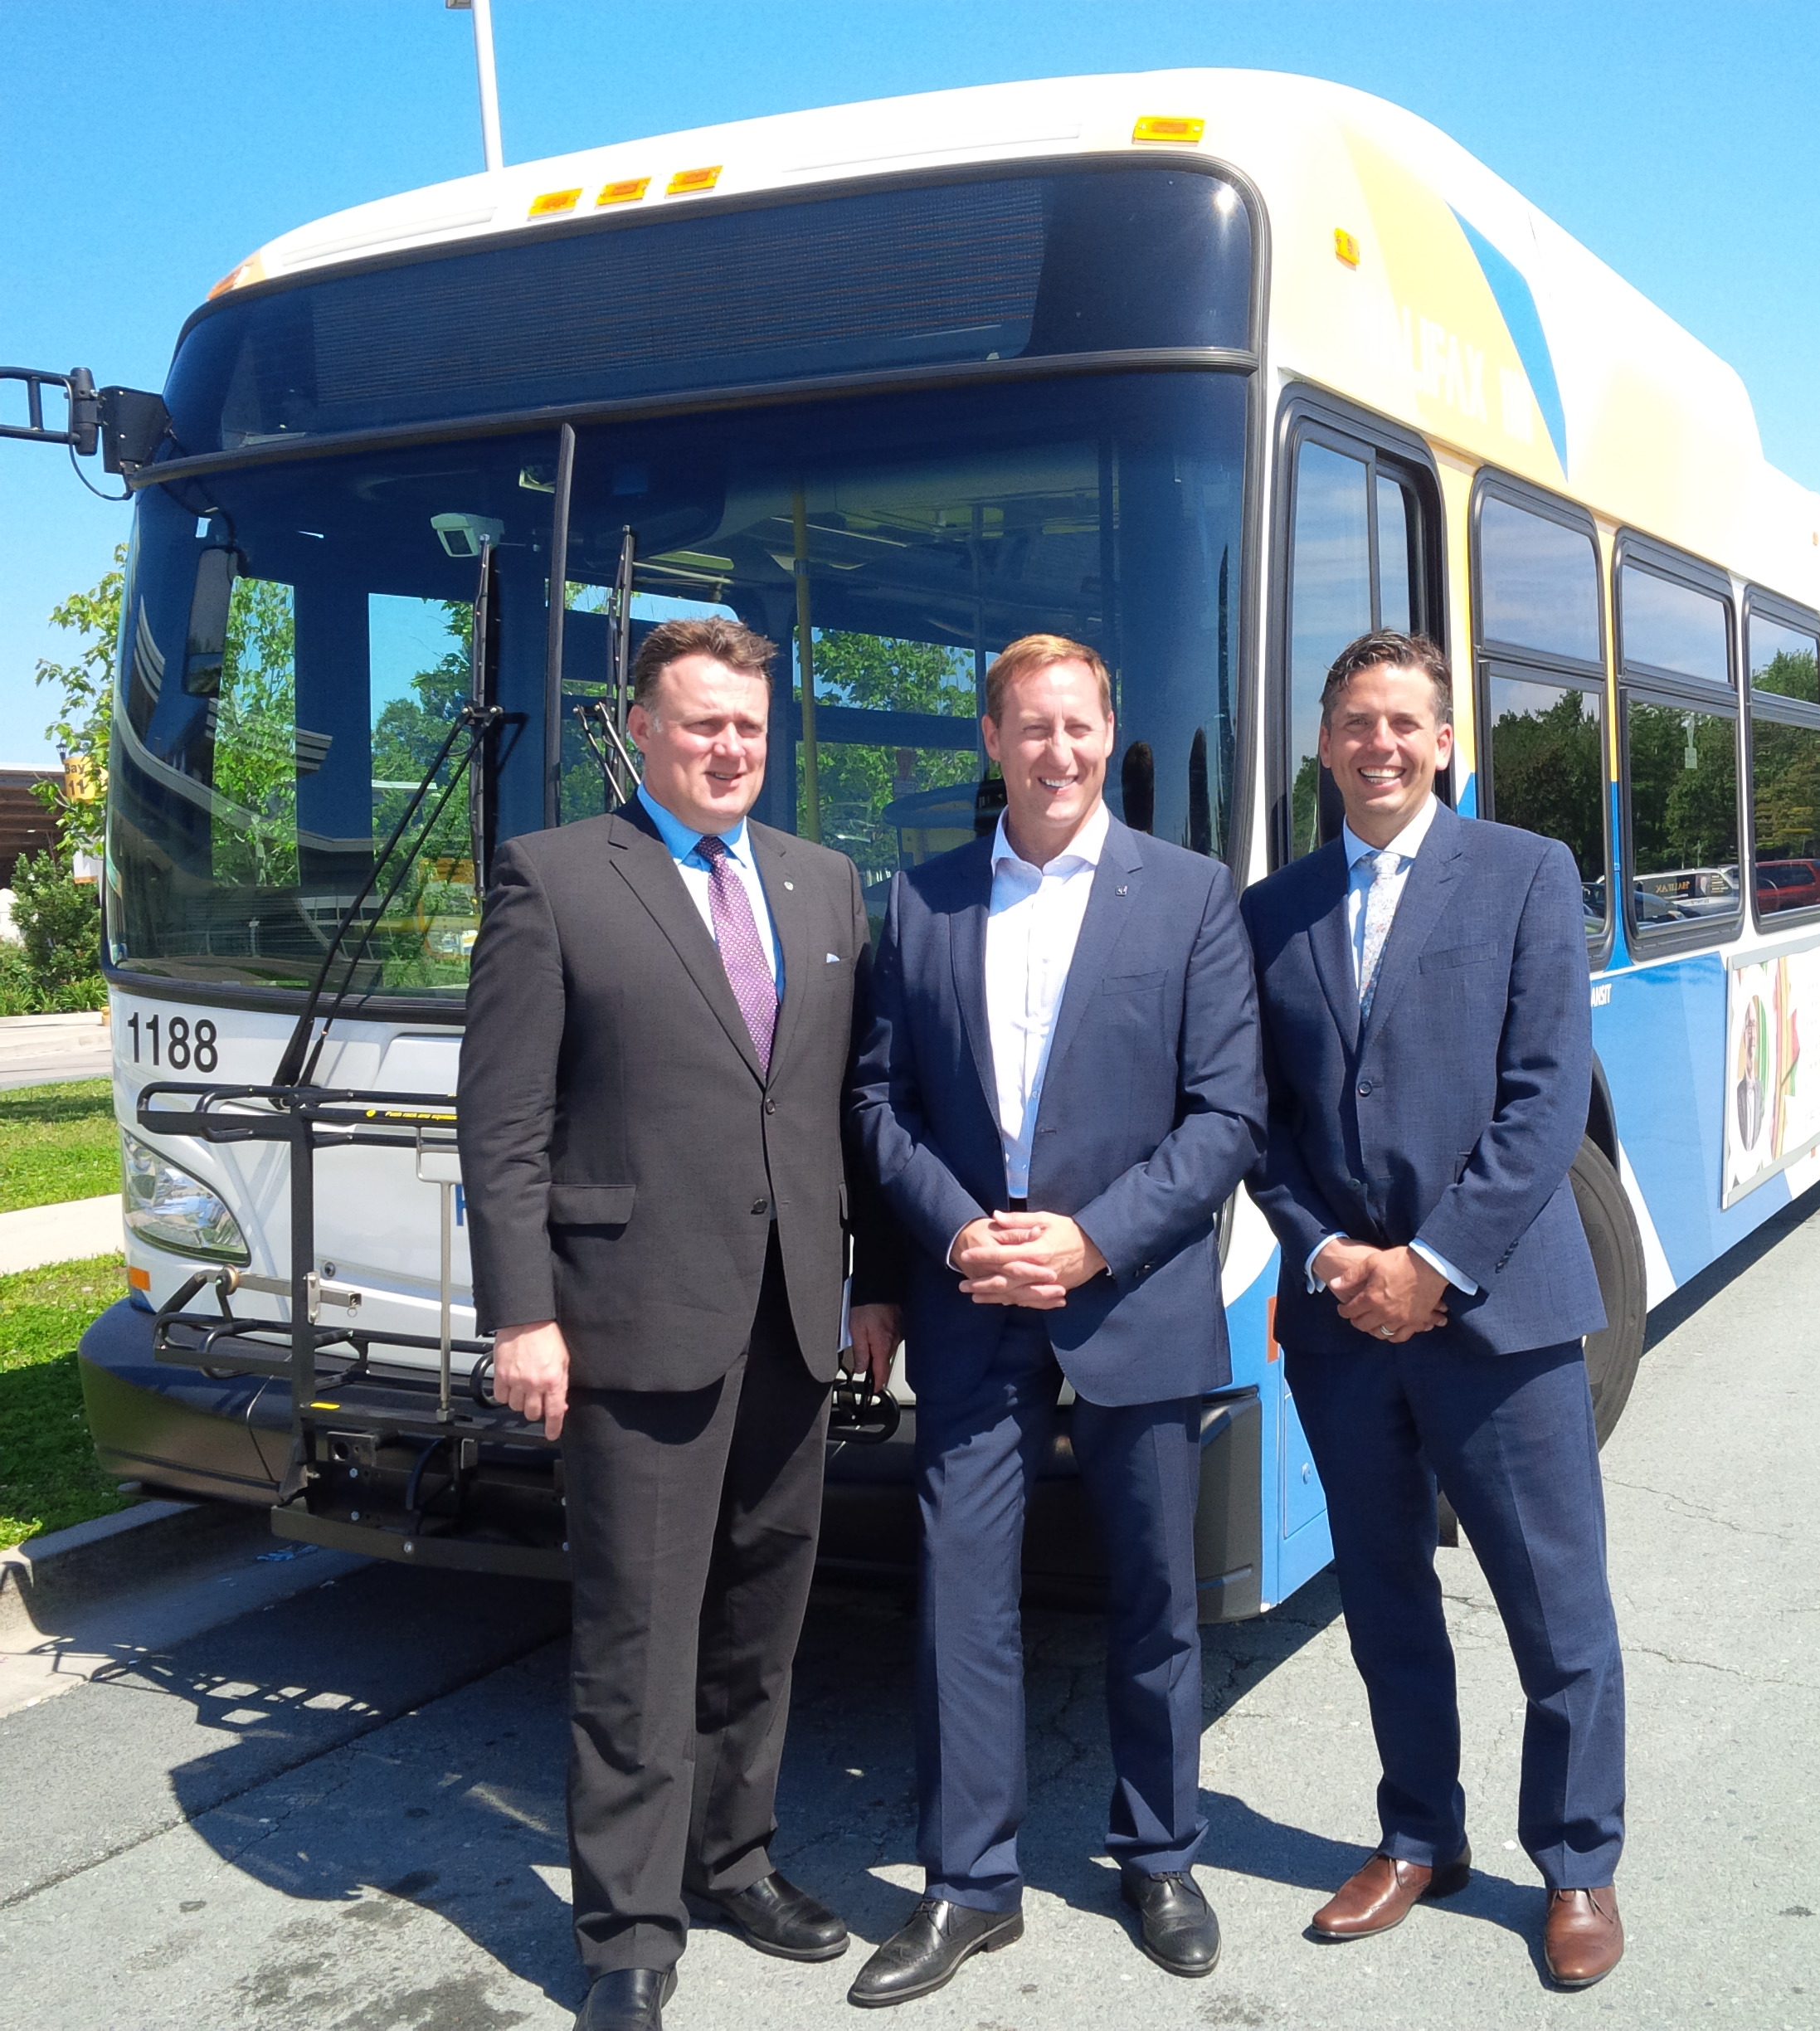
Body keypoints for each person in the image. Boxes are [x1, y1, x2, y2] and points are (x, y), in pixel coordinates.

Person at [460, 616, 901, 2031]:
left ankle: (735, 1858)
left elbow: (848, 1111)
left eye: (751, 729)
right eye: (703, 722)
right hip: (627, 1318)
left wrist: (873, 1282)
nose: (730, 748)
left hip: (791, 1323)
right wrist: (520, 1314)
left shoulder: (824, 887)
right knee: (636, 1632)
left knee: (763, 1617)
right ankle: (628, 1928)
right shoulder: (555, 880)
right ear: (639, 727)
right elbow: (505, 1125)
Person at [848, 634, 1265, 2007]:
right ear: (991, 740)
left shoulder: (1193, 898)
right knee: (963, 1596)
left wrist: (1089, 1240)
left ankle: (1157, 1855)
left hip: (1131, 1295)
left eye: (1078, 726)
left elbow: (1227, 1117)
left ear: (1111, 733)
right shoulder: (918, 903)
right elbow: (878, 1106)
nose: (1057, 752)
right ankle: (969, 1886)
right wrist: (958, 1230)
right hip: (973, 1296)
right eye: (1031, 728)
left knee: (1155, 1595)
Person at [1240, 630, 1627, 1990]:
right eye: (1355, 723)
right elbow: (1259, 1121)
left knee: (1553, 1603)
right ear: (1325, 743)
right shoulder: (1274, 909)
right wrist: (1333, 1252)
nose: (1380, 745)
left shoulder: (1525, 875)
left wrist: (1434, 1264)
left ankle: (1578, 1865)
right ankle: (1420, 1835)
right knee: (1385, 1594)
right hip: (1346, 1325)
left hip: (1500, 1317)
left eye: (1405, 722)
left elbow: (1545, 1099)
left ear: (1447, 741)